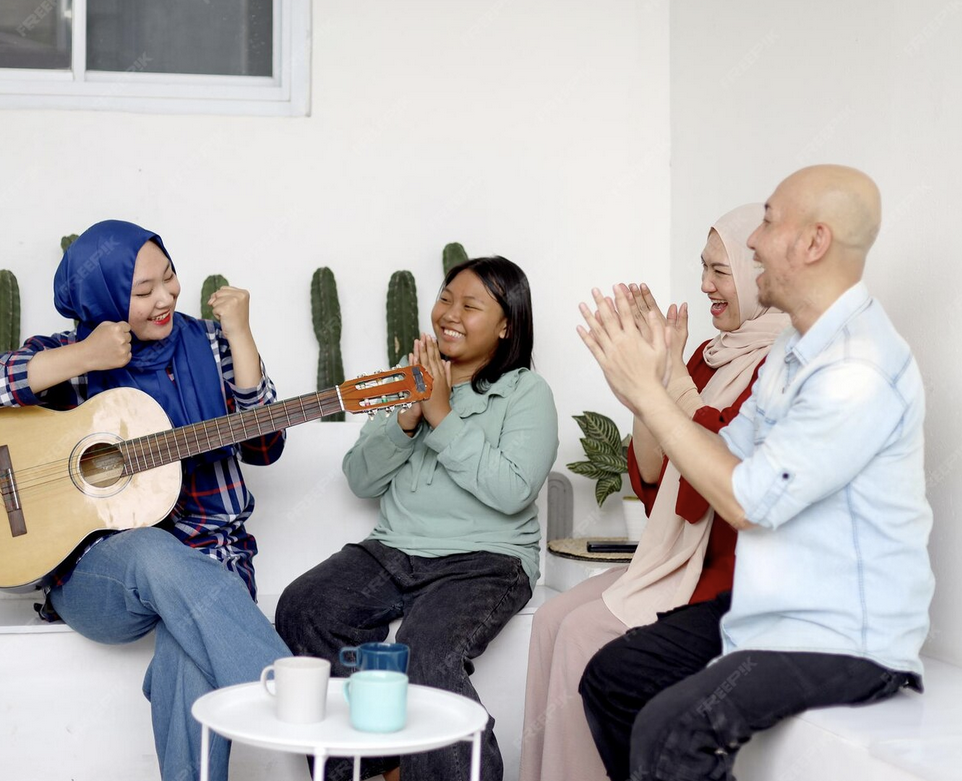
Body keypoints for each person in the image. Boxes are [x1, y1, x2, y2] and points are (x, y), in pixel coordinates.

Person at [575, 165, 935, 781]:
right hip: (769, 610)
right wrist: (653, 387)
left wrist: (652, 392)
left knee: (673, 727)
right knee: (613, 678)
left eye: (768, 221)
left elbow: (748, 502)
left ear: (815, 241)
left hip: (843, 635)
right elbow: (720, 453)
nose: (752, 241)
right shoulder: (792, 350)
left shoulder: (857, 367)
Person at [0, 220, 292, 781]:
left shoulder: (211, 342)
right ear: (104, 298)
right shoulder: (70, 354)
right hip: (97, 577)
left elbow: (266, 446)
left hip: (211, 562)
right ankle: (300, 710)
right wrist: (83, 357)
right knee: (153, 550)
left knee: (189, 654)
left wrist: (242, 338)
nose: (166, 297)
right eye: (144, 290)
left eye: (169, 277)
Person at [519, 204, 789, 781]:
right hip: (677, 559)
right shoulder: (708, 359)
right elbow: (655, 483)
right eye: (703, 268)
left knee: (583, 634)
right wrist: (648, 392)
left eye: (720, 271)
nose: (705, 285)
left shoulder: (781, 367)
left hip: (727, 576)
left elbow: (713, 487)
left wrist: (670, 385)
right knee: (551, 620)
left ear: (757, 275)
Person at [275, 256, 559, 781]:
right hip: (393, 550)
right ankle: (380, 766)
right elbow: (361, 479)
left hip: (485, 561)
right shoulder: (409, 379)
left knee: (425, 653)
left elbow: (513, 491)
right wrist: (405, 418)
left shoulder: (525, 393)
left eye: (470, 305)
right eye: (446, 298)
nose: (449, 313)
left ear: (506, 325)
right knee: (305, 606)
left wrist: (440, 412)